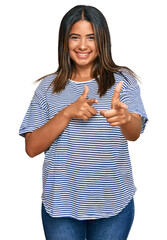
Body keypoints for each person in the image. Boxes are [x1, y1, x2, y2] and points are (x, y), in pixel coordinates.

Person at [19, 5, 148, 240]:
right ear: (64, 41)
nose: (82, 45)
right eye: (75, 37)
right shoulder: (47, 88)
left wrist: (126, 118)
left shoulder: (123, 81)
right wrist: (67, 113)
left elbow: (135, 132)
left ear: (102, 41)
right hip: (61, 206)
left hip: (113, 203)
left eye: (91, 37)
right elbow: (31, 148)